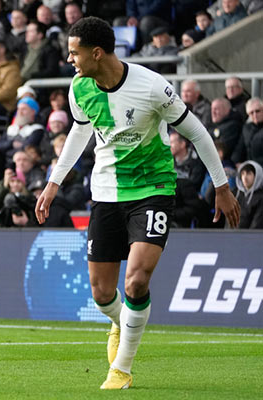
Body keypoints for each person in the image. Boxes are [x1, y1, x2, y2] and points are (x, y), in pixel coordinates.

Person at [35, 17, 240, 390]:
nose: (69, 60)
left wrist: (222, 186)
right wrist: (53, 183)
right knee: (102, 294)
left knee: (136, 280)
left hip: (152, 189)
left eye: (74, 53)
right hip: (106, 192)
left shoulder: (152, 86)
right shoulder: (79, 88)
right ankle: (121, 321)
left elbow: (197, 133)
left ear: (97, 53)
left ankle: (121, 369)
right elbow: (80, 131)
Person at [235, 161, 263, 229]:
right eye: (243, 173)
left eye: (249, 173)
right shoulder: (234, 193)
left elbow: (256, 224)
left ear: (256, 176)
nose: (245, 177)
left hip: (248, 235)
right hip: (228, 234)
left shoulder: (261, 197)